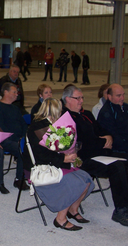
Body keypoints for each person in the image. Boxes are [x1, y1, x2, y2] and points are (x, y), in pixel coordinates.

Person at [62, 85, 128, 227]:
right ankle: (120, 210)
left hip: (100, 152)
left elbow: (102, 130)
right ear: (67, 99)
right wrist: (103, 140)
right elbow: (82, 142)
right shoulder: (65, 118)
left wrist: (108, 137)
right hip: (83, 158)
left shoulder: (86, 114)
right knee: (117, 167)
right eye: (78, 98)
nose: (81, 101)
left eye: (82, 97)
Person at [23, 98, 94, 231]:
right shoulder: (38, 127)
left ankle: (73, 210)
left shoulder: (54, 123)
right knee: (75, 182)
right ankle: (60, 219)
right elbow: (41, 155)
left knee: (87, 179)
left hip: (54, 161)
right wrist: (64, 159)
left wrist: (70, 152)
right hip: (40, 166)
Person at [97, 84, 128, 173]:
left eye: (123, 95)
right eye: (118, 96)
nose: (122, 98)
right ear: (109, 97)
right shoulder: (106, 113)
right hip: (120, 149)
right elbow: (114, 138)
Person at [0, 83, 29, 190]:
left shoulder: (15, 108)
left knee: (29, 147)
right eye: (14, 92)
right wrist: (18, 140)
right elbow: (0, 129)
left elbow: (23, 124)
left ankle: (25, 176)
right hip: (4, 140)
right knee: (24, 150)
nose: (17, 95)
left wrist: (24, 137)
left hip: (17, 139)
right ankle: (19, 179)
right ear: (6, 92)